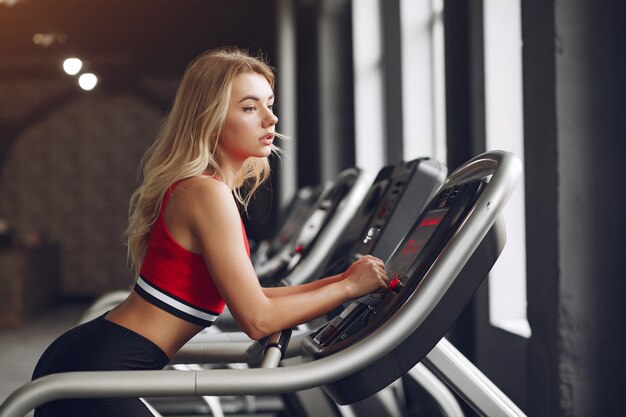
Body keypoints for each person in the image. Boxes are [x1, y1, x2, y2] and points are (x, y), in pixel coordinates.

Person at [31, 48, 388, 417]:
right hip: (99, 370)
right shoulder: (206, 192)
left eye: (269, 104)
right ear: (211, 120)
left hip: (92, 357)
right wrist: (348, 289)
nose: (271, 118)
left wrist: (342, 280)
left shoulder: (203, 188)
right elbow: (258, 319)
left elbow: (253, 296)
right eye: (250, 108)